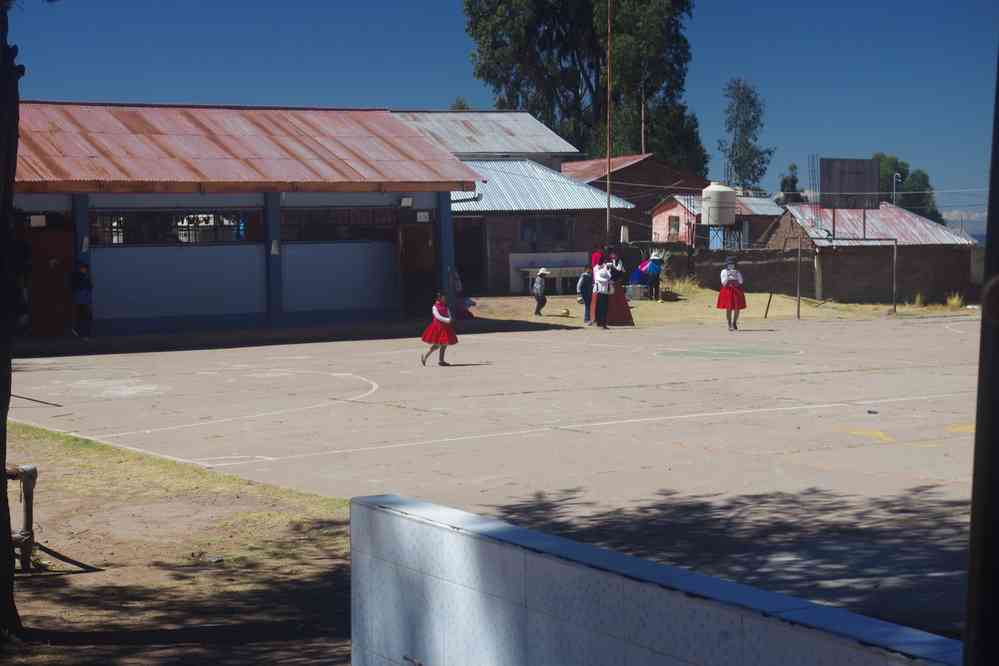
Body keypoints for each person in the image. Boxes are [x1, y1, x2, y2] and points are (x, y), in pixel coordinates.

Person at [421, 293, 458, 366]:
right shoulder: (434, 307)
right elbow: (437, 316)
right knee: (437, 345)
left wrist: (450, 318)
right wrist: (447, 320)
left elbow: (448, 313)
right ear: (439, 298)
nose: (445, 299)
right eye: (443, 297)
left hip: (445, 327)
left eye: (444, 297)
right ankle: (425, 356)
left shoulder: (445, 306)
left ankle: (441, 360)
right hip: (438, 327)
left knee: (444, 344)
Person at [717, 258, 747, 331]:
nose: (731, 265)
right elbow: (723, 283)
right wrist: (728, 275)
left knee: (737, 308)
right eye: (729, 264)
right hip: (727, 291)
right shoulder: (724, 271)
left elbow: (741, 281)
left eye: (732, 264)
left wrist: (735, 275)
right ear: (726, 265)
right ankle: (729, 324)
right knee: (729, 308)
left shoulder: (737, 272)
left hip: (736, 290)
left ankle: (734, 322)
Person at [71, 262, 93, 338]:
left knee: (85, 315)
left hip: (84, 299)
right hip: (81, 300)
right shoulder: (79, 277)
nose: (85, 270)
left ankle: (83, 332)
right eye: (84, 268)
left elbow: (90, 286)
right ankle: (79, 331)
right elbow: (87, 286)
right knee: (81, 315)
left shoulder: (85, 277)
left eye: (85, 269)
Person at [593, 262, 613, 329]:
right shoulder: (608, 280)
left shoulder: (598, 279)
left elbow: (594, 289)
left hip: (600, 294)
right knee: (603, 309)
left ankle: (599, 322)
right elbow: (611, 290)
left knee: (599, 309)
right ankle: (603, 324)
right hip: (604, 294)